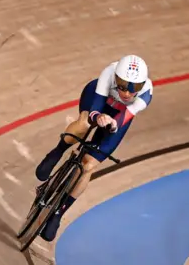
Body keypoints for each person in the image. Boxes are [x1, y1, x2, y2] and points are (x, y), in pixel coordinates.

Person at [35, 54, 153, 242]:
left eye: (134, 89)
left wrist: (112, 125)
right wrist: (97, 117)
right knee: (83, 125)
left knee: (89, 165)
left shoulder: (146, 93)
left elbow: (123, 118)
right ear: (116, 77)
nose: (127, 93)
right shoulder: (109, 72)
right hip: (97, 99)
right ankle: (57, 151)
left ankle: (59, 211)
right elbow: (96, 106)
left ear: (142, 85)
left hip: (118, 114)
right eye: (122, 85)